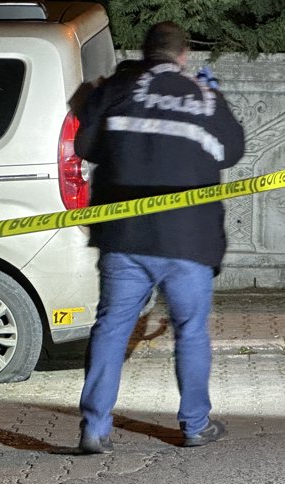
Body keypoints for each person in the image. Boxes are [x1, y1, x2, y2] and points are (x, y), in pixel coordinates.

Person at [73, 21, 245, 454]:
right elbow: (233, 152)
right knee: (190, 331)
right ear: (184, 55)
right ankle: (194, 425)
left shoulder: (118, 89)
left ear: (144, 52)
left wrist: (89, 99)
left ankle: (94, 428)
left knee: (112, 327)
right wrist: (214, 99)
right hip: (188, 240)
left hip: (125, 235)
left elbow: (85, 147)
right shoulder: (204, 95)